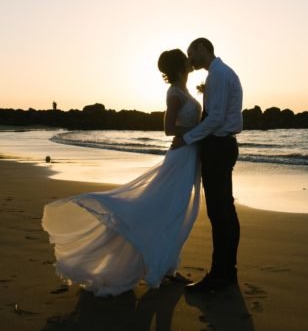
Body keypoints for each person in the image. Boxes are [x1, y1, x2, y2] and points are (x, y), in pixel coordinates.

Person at [42, 49, 202, 296]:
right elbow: (169, 129)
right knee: (170, 210)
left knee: (175, 211)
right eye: (186, 59)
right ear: (181, 66)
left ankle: (168, 265)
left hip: (189, 156)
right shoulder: (174, 93)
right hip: (180, 157)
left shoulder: (186, 90)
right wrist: (197, 130)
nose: (190, 62)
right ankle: (161, 266)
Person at [172, 37, 243, 293]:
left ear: (203, 47)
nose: (190, 61)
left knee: (220, 212)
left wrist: (187, 138)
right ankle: (225, 272)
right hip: (219, 145)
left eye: (192, 54)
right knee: (223, 211)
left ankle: (220, 275)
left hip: (220, 146)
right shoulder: (218, 74)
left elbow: (216, 119)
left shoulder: (219, 74)